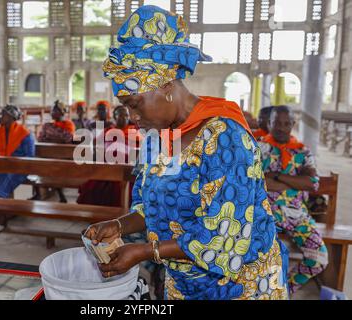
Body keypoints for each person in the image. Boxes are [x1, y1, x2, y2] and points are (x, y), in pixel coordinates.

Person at [84, 5, 289, 300]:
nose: (131, 116)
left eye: (135, 103)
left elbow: (224, 240)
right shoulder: (157, 137)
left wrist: (145, 251)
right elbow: (150, 208)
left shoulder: (224, 138)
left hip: (243, 286)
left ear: (166, 85)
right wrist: (117, 226)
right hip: (184, 283)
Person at [259, 106, 328, 295]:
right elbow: (255, 180)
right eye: (276, 123)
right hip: (264, 214)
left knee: (319, 258)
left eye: (286, 123)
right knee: (253, 257)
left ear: (293, 124)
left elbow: (311, 183)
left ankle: (283, 291)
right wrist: (295, 182)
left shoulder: (302, 152)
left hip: (296, 216)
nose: (281, 128)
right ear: (268, 123)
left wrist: (277, 176)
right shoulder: (258, 148)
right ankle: (259, 292)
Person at [77, 105, 140, 207]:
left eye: (126, 116)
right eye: (121, 115)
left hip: (127, 169)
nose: (124, 118)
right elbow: (96, 145)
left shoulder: (134, 132)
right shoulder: (108, 131)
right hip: (107, 166)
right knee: (94, 187)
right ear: (114, 117)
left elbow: (139, 151)